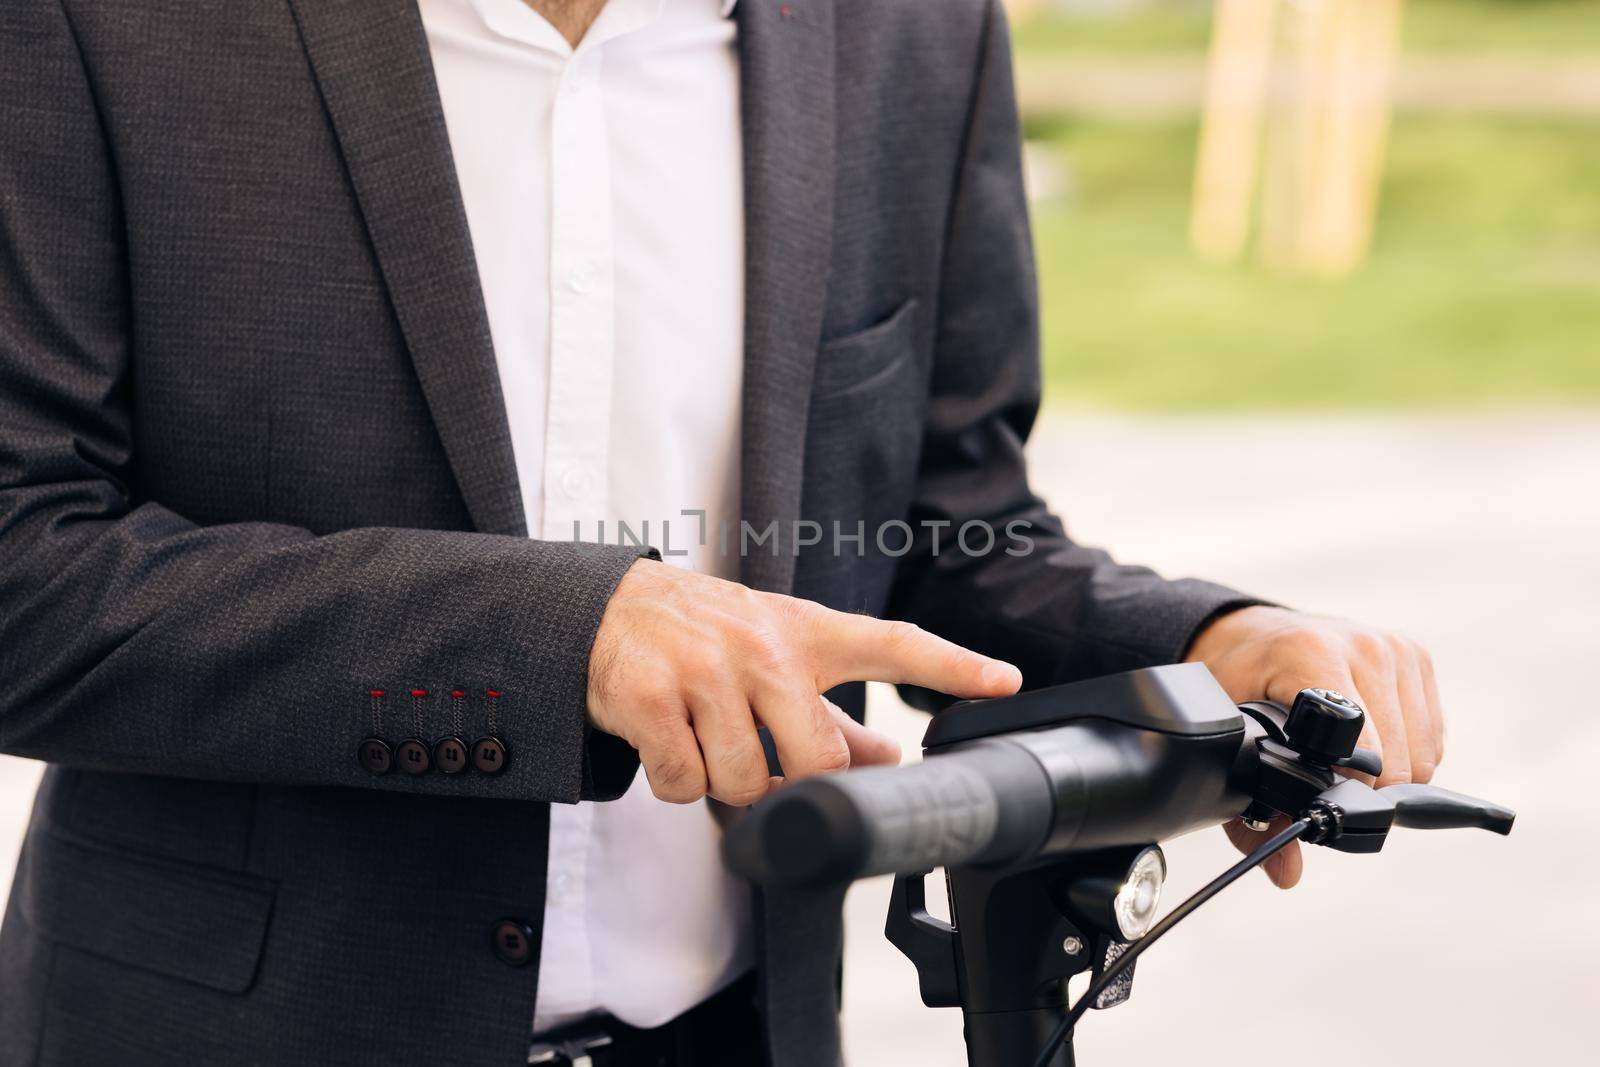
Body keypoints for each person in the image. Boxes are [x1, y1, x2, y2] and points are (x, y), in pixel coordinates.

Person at [0, 0, 1444, 1064]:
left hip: (737, 1035)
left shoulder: (913, 32)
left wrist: (1203, 642)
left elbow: (950, 514)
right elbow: (24, 569)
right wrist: (572, 634)